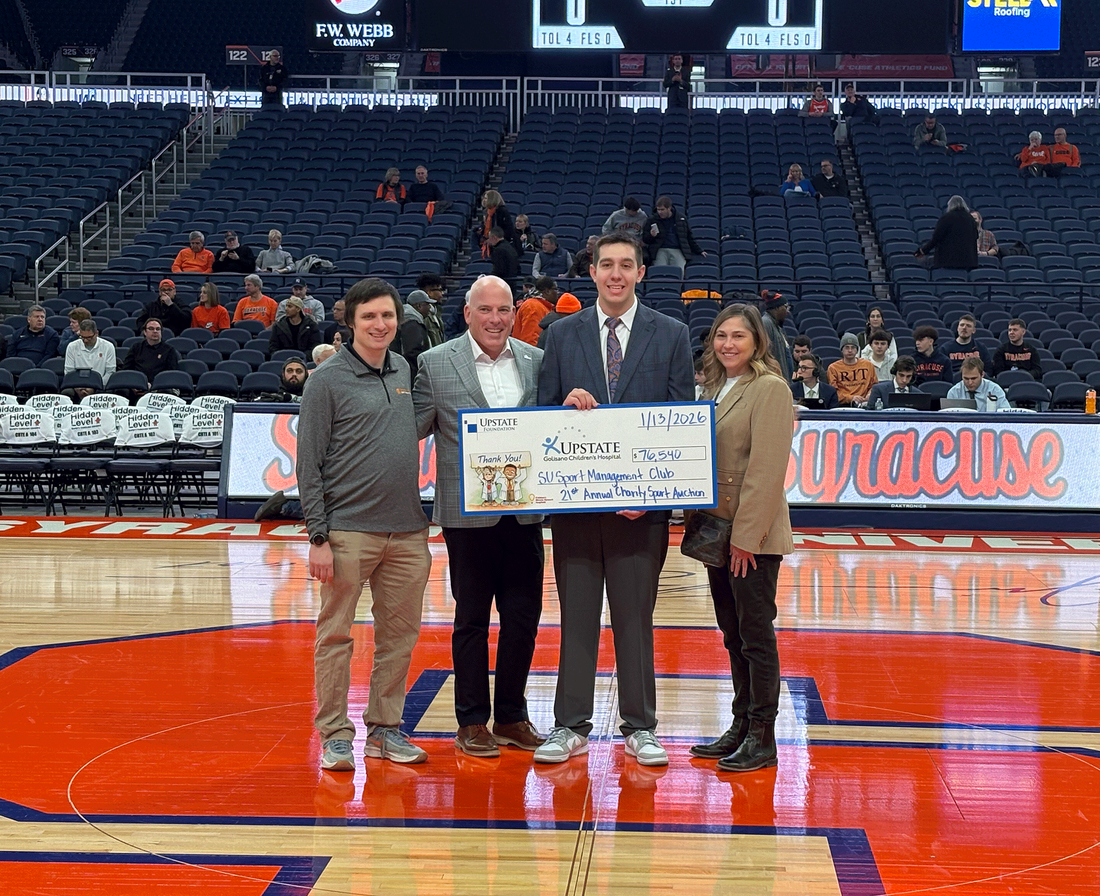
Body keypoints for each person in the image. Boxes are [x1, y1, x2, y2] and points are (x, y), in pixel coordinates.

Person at [534, 232, 694, 767]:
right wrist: (564, 406)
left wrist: (651, 495)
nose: (616, 274)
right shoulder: (561, 333)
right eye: (607, 265)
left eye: (627, 265)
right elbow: (543, 416)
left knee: (634, 621)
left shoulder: (671, 333)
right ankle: (569, 725)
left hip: (640, 514)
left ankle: (641, 727)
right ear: (593, 271)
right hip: (577, 511)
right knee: (576, 620)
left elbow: (678, 424)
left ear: (641, 272)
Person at [297, 278, 432, 772]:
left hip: (408, 531)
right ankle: (335, 734)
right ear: (350, 322)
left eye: (387, 315)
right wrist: (318, 536)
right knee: (335, 636)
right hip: (347, 532)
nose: (380, 324)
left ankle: (385, 730)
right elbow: (308, 464)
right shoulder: (325, 380)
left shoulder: (403, 369)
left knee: (400, 637)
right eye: (369, 316)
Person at [413, 275, 547, 758]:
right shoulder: (434, 362)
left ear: (515, 313)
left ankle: (510, 716)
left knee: (523, 619)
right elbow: (409, 429)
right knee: (470, 619)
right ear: (468, 313)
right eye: (485, 310)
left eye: (504, 309)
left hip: (525, 514)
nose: (495, 319)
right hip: (467, 519)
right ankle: (471, 721)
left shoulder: (537, 361)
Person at [688, 303, 794, 773]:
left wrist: (747, 538)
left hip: (751, 536)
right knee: (733, 634)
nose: (728, 344)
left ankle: (762, 736)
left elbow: (767, 471)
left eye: (738, 336)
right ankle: (740, 724)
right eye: (721, 335)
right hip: (717, 530)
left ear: (757, 342)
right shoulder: (714, 387)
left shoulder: (769, 388)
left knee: (755, 636)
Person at [642, 196, 705, 275]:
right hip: (660, 250)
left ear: (669, 208)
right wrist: (651, 235)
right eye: (658, 210)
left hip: (677, 249)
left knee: (678, 272)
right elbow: (645, 239)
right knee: (659, 272)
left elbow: (688, 236)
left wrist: (699, 250)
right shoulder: (652, 220)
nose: (660, 212)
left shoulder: (681, 218)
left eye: (662, 210)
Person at [916, 195, 978, 270]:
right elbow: (976, 236)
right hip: (968, 262)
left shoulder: (946, 218)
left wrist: (923, 251)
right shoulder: (970, 219)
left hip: (947, 262)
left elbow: (936, 238)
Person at [120, 318, 180, 385]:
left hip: (160, 386)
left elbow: (171, 374)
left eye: (158, 329)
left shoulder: (169, 350)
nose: (155, 331)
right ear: (145, 332)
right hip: (136, 384)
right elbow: (126, 369)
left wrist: (153, 385)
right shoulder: (136, 347)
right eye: (151, 329)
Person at [827, 333, 877, 406]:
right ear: (842, 349)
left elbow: (874, 385)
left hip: (865, 404)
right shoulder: (833, 368)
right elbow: (833, 392)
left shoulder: (868, 365)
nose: (850, 350)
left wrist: (870, 394)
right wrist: (851, 398)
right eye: (847, 347)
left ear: (857, 349)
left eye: (853, 347)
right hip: (843, 405)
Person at [64, 319, 116, 387]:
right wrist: (78, 386)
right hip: (77, 385)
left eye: (89, 337)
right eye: (82, 337)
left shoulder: (108, 346)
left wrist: (96, 385)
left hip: (100, 385)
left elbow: (110, 372)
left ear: (96, 333)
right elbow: (69, 372)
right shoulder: (72, 346)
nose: (85, 340)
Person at [267, 295, 321, 359]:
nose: (286, 309)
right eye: (286, 306)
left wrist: (303, 357)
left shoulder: (311, 325)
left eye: (290, 306)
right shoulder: (279, 325)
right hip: (283, 359)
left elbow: (314, 346)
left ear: (298, 309)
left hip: (304, 360)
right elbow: (273, 346)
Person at [760, 289, 794, 384]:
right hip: (772, 381)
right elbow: (764, 354)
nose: (787, 312)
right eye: (786, 307)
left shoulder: (776, 325)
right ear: (777, 308)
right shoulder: (766, 323)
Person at [512, 276, 557, 346]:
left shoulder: (542, 306)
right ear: (547, 291)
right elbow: (530, 341)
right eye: (555, 289)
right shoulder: (533, 307)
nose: (558, 292)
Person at [946, 313, 991, 380]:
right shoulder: (946, 348)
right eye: (962, 325)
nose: (964, 328)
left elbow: (989, 370)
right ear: (958, 328)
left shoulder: (981, 348)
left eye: (968, 326)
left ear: (973, 331)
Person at [478, 190, 515, 259]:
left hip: (499, 241)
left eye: (486, 198)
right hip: (488, 238)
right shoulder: (486, 212)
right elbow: (484, 225)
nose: (484, 200)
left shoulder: (502, 211)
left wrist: (493, 238)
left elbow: (507, 229)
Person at [413, 274, 447, 346]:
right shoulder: (422, 315)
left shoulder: (436, 312)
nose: (442, 293)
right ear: (429, 292)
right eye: (440, 290)